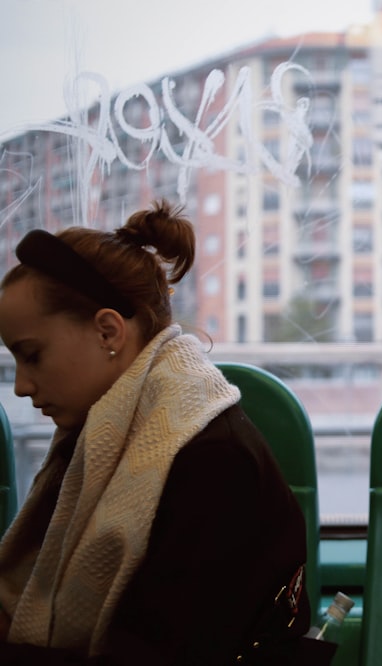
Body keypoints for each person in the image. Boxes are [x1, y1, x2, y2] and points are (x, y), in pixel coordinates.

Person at [0, 200, 315, 664]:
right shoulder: (103, 434)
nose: (22, 386)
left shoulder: (212, 464)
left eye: (32, 355)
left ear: (108, 332)